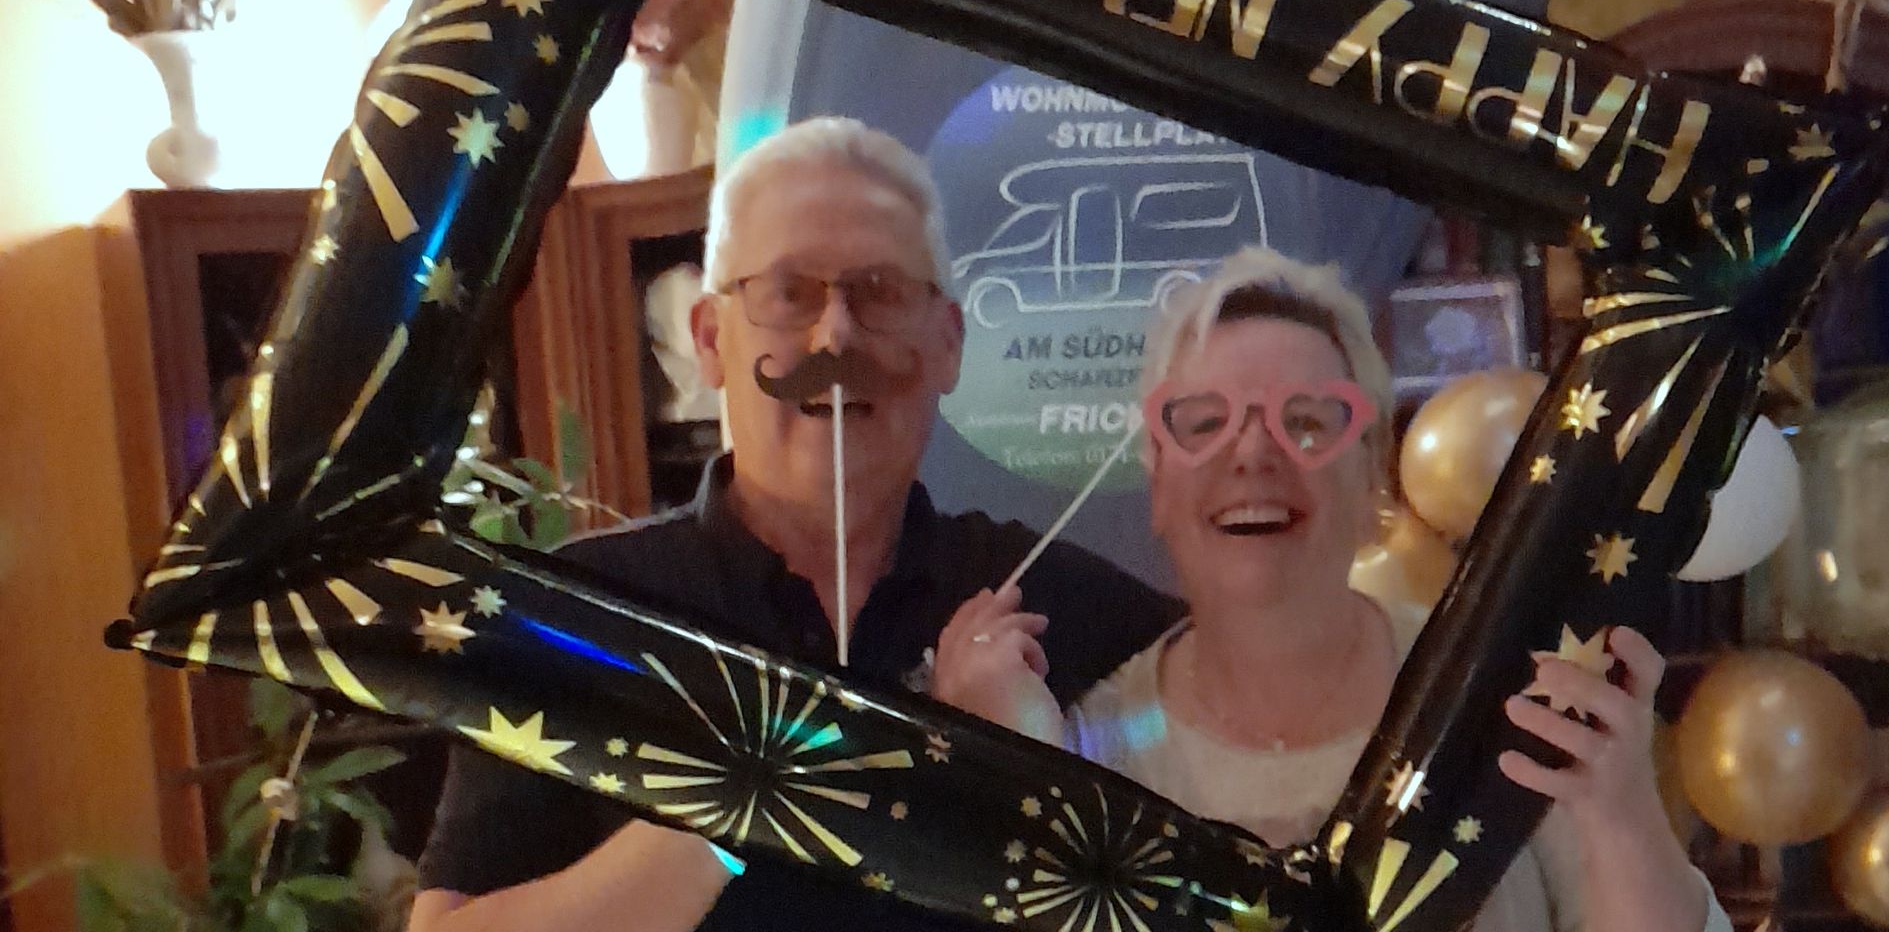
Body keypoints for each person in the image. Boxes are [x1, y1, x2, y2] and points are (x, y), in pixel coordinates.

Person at [408, 116, 1181, 932]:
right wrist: (744, 805)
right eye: (789, 292)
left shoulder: (1039, 595)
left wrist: (1021, 767)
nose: (836, 331)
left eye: (879, 291)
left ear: (948, 343)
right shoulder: (573, 611)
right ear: (711, 339)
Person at [933, 246, 1733, 932]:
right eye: (1204, 423)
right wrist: (1006, 778)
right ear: (1158, 488)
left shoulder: (1500, 699)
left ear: (1371, 476)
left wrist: (1621, 814)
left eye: (1309, 422)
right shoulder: (1094, 751)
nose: (1254, 453)